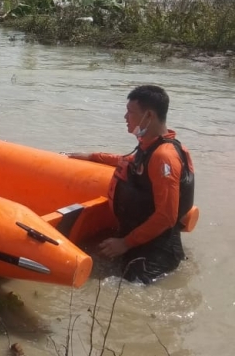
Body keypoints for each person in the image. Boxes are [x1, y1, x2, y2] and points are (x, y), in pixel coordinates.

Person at [66, 85, 195, 284]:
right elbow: (130, 161)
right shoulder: (154, 147)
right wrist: (93, 156)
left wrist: (125, 243)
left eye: (130, 112)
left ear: (149, 115)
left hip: (153, 257)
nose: (125, 117)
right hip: (144, 244)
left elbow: (167, 216)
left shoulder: (164, 157)